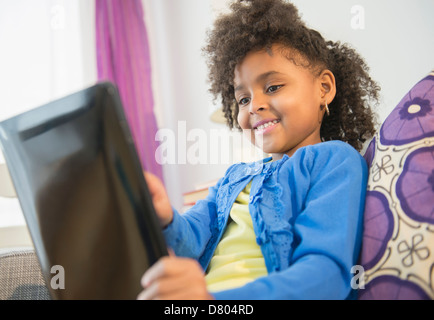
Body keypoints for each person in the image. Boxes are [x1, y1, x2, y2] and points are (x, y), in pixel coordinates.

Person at [137, 0, 380, 300]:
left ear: (324, 88)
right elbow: (190, 243)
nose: (254, 106)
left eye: (274, 87)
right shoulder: (234, 178)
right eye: (242, 99)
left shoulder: (334, 161)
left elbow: (325, 276)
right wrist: (165, 218)